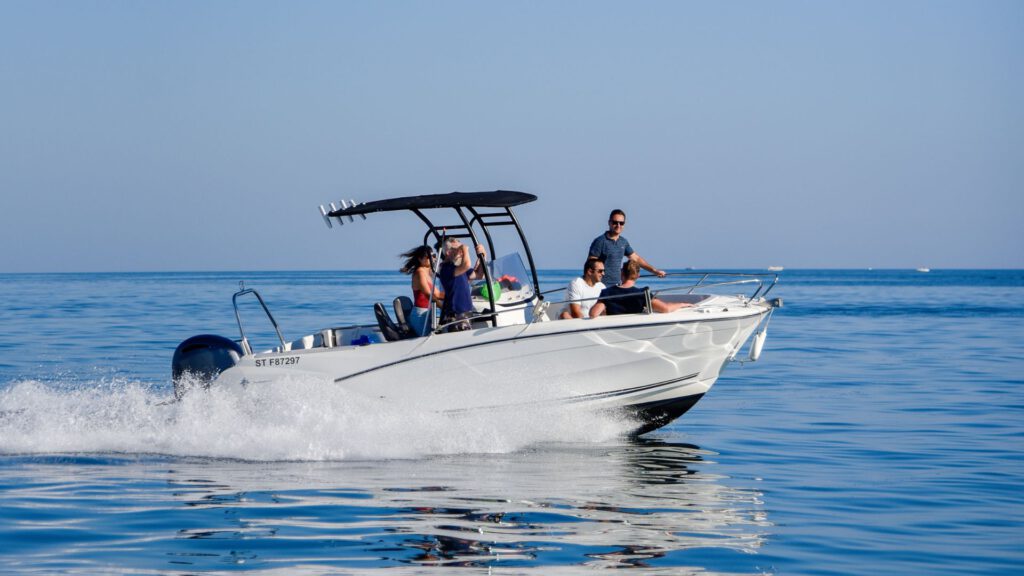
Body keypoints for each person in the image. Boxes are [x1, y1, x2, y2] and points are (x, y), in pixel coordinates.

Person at [588, 209, 666, 287]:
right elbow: (590, 264)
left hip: (618, 286)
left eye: (621, 223)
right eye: (615, 222)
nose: (618, 225)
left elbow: (636, 259)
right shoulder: (600, 241)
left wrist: (654, 271)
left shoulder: (623, 242)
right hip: (601, 287)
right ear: (609, 223)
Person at [590, 260, 692, 317]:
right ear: (638, 276)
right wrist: (682, 304)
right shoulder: (642, 294)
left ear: (622, 273)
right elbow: (665, 309)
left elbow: (593, 314)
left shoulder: (607, 292)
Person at [437, 237, 487, 331]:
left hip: (467, 313)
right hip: (457, 315)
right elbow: (466, 265)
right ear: (448, 253)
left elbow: (480, 275)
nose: (461, 253)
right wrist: (465, 249)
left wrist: (483, 255)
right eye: (458, 250)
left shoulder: (459, 266)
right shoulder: (445, 268)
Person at [399, 245, 444, 335]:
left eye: (434, 256)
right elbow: (428, 295)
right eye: (428, 257)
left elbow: (438, 294)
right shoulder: (419, 272)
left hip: (429, 312)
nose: (432, 259)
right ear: (420, 259)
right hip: (420, 315)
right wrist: (444, 308)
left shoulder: (427, 272)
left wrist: (455, 296)